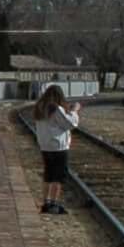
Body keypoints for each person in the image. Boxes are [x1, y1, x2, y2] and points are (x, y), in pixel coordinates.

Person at [27, 84, 83, 214]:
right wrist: (74, 111)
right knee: (57, 177)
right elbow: (69, 124)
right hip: (58, 147)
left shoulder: (39, 108)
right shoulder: (56, 109)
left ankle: (45, 202)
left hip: (45, 146)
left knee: (48, 174)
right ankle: (54, 203)